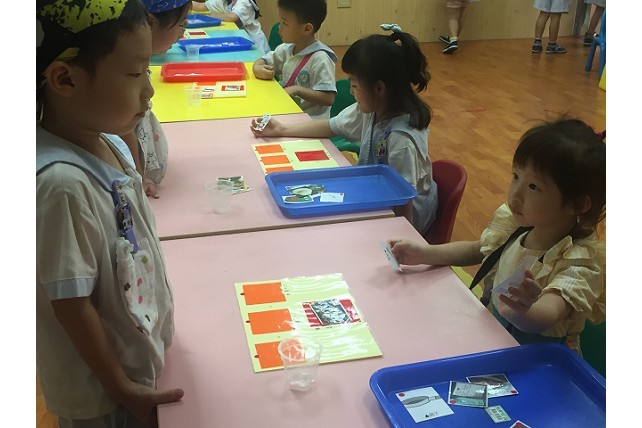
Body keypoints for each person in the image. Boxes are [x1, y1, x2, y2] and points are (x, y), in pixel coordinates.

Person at [36, 1, 184, 426]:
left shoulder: (111, 142)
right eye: (135, 74)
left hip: (136, 363)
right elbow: (71, 304)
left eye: (148, 71)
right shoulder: (61, 184)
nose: (149, 90)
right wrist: (120, 386)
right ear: (65, 79)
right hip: (104, 398)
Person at [388, 118, 606, 354]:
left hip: (540, 361)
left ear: (577, 204)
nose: (515, 195)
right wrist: (424, 253)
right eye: (516, 176)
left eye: (534, 187)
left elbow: (548, 313)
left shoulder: (579, 262)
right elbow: (477, 250)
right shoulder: (520, 227)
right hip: (495, 337)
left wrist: (525, 311)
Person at [250, 31, 438, 235]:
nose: (350, 91)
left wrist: (400, 243)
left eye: (354, 85)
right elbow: (331, 126)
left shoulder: (402, 140)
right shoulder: (375, 108)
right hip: (376, 196)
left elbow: (404, 203)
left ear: (379, 88)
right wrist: (282, 129)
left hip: (404, 221)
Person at [120, 0, 192, 199]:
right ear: (150, 23)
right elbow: (123, 127)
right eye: (181, 24)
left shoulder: (134, 62)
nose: (182, 34)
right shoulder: (125, 68)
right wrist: (137, 176)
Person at [252, 0, 337, 120]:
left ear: (307, 28)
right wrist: (257, 68)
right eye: (280, 22)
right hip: (289, 113)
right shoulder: (286, 48)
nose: (279, 28)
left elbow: (328, 98)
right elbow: (263, 60)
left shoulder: (321, 59)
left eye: (285, 23)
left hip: (310, 122)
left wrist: (297, 90)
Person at [192, 0, 270, 53]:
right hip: (238, 42)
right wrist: (185, 2)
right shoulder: (225, 1)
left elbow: (233, 17)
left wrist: (214, 15)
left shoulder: (245, 2)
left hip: (255, 46)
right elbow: (200, 6)